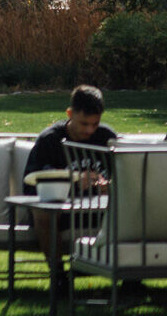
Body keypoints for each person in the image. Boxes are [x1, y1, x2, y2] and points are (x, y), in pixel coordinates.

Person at [21, 85, 118, 259]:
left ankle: (129, 278)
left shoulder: (107, 138)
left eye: (95, 124)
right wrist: (72, 183)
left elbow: (127, 178)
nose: (89, 130)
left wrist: (108, 186)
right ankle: (58, 277)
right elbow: (30, 186)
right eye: (84, 124)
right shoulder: (49, 140)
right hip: (62, 212)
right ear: (69, 113)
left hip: (98, 211)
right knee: (44, 215)